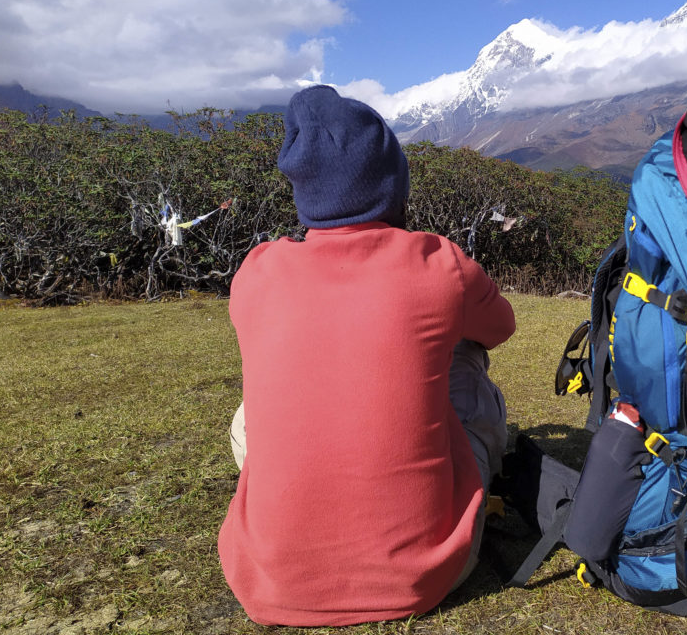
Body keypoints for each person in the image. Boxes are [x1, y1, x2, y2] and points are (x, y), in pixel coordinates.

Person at [217, 85, 516, 627]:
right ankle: (484, 459)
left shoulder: (256, 271)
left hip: (270, 580)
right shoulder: (437, 262)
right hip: (425, 574)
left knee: (250, 415)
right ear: (392, 184)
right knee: (466, 355)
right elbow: (500, 328)